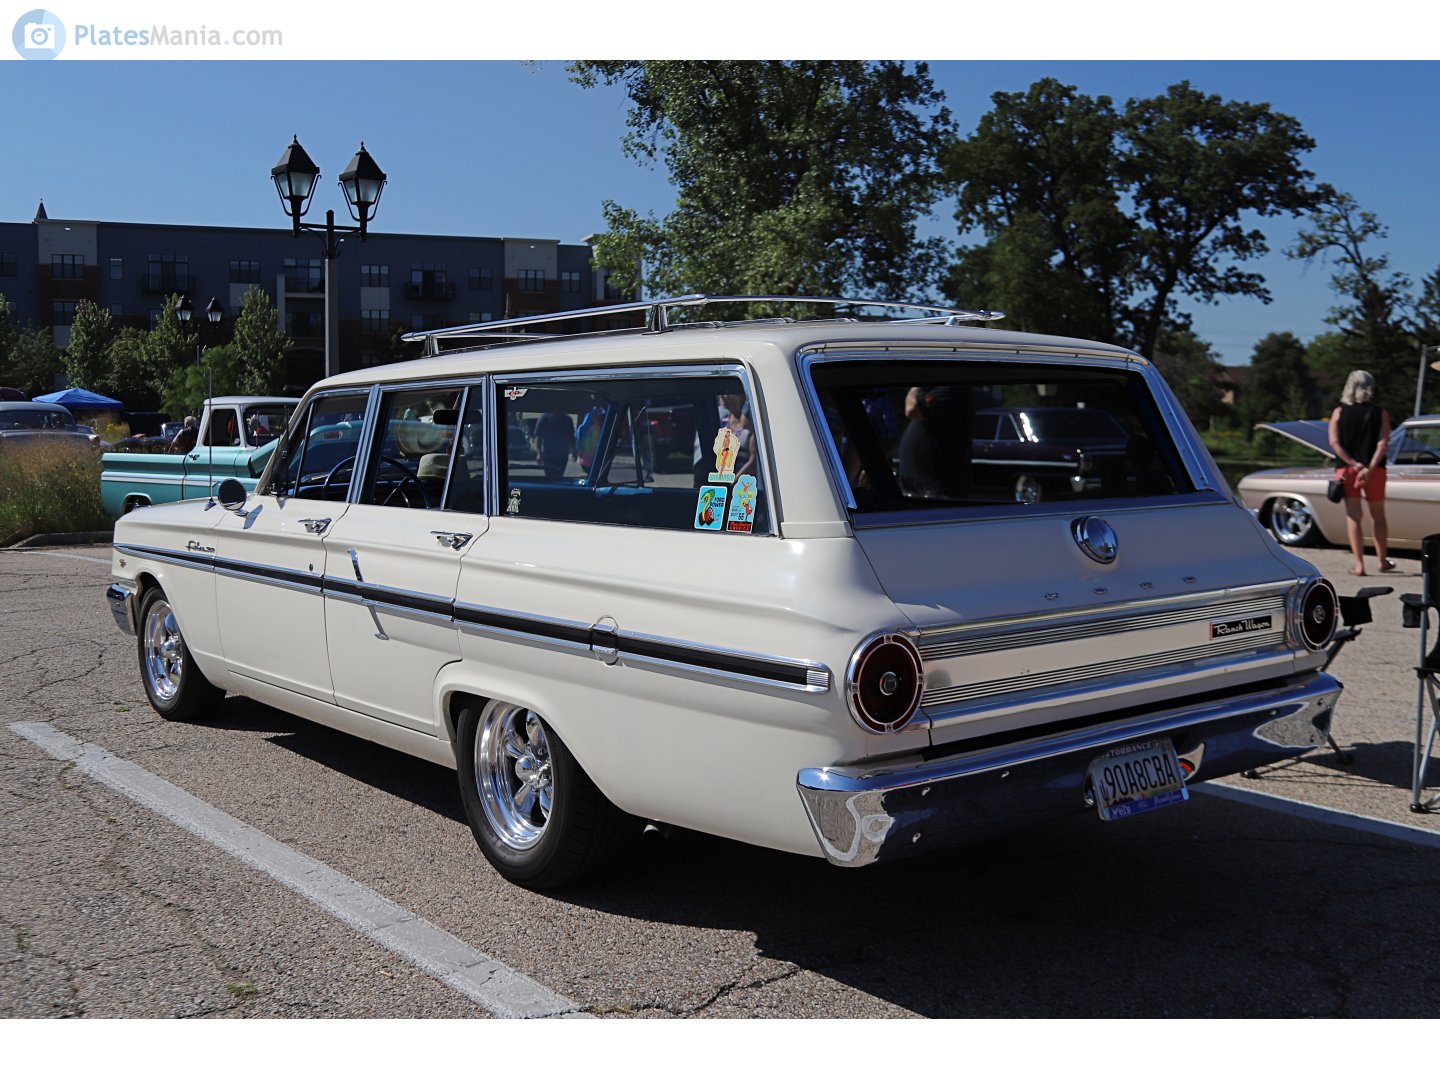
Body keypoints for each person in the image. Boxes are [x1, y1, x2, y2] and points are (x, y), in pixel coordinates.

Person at [1328, 369, 1394, 576]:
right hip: (1375, 470)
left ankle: (1359, 565)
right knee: (1378, 515)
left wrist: (1354, 464)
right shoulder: (1380, 412)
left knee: (1354, 516)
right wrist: (1368, 468)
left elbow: (1334, 442)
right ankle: (1382, 561)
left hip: (1347, 470)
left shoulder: (1339, 412)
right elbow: (1383, 444)